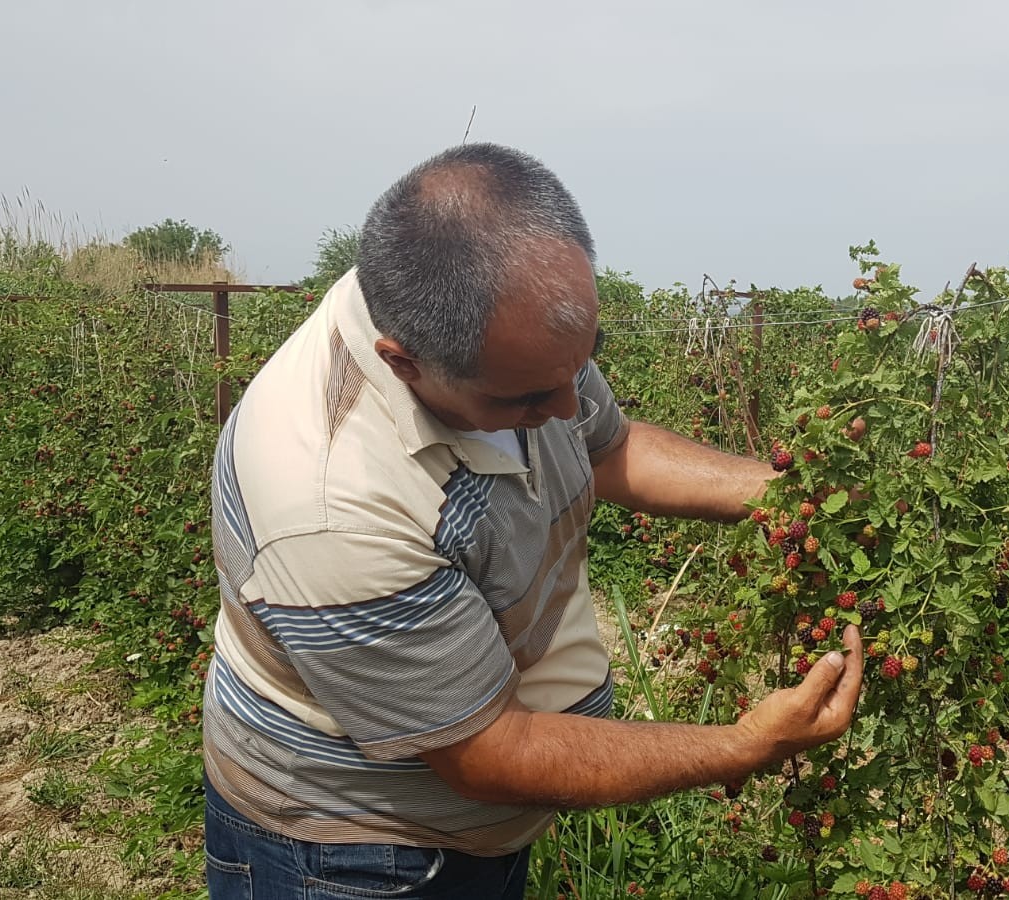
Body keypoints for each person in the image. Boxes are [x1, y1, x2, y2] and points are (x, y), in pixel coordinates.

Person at [199, 143, 864, 899]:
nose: (567, 410)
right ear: (404, 361)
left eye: (578, 366)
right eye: (525, 401)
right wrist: (744, 745)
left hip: (473, 824)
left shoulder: (497, 319)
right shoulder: (329, 505)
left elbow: (610, 451)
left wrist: (787, 499)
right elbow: (488, 752)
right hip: (356, 853)